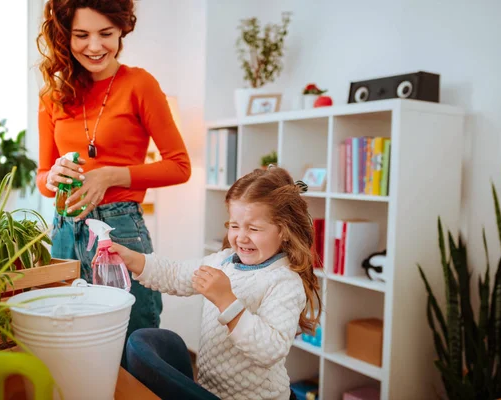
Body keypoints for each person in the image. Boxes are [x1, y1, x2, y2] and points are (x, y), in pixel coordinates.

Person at [35, 0, 191, 366]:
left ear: (122, 29)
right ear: (65, 36)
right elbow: (42, 180)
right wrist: (53, 177)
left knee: (132, 348)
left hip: (121, 230)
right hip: (63, 233)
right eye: (81, 35)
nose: (94, 46)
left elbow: (179, 166)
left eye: (105, 33)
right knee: (68, 348)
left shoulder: (140, 84)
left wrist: (111, 174)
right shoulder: (52, 96)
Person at [104, 167, 322, 400]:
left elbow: (270, 350)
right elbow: (175, 274)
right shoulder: (223, 261)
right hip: (210, 391)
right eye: (235, 226)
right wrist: (131, 258)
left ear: (284, 231)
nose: (241, 237)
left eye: (254, 229)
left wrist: (226, 301)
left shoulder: (284, 281)